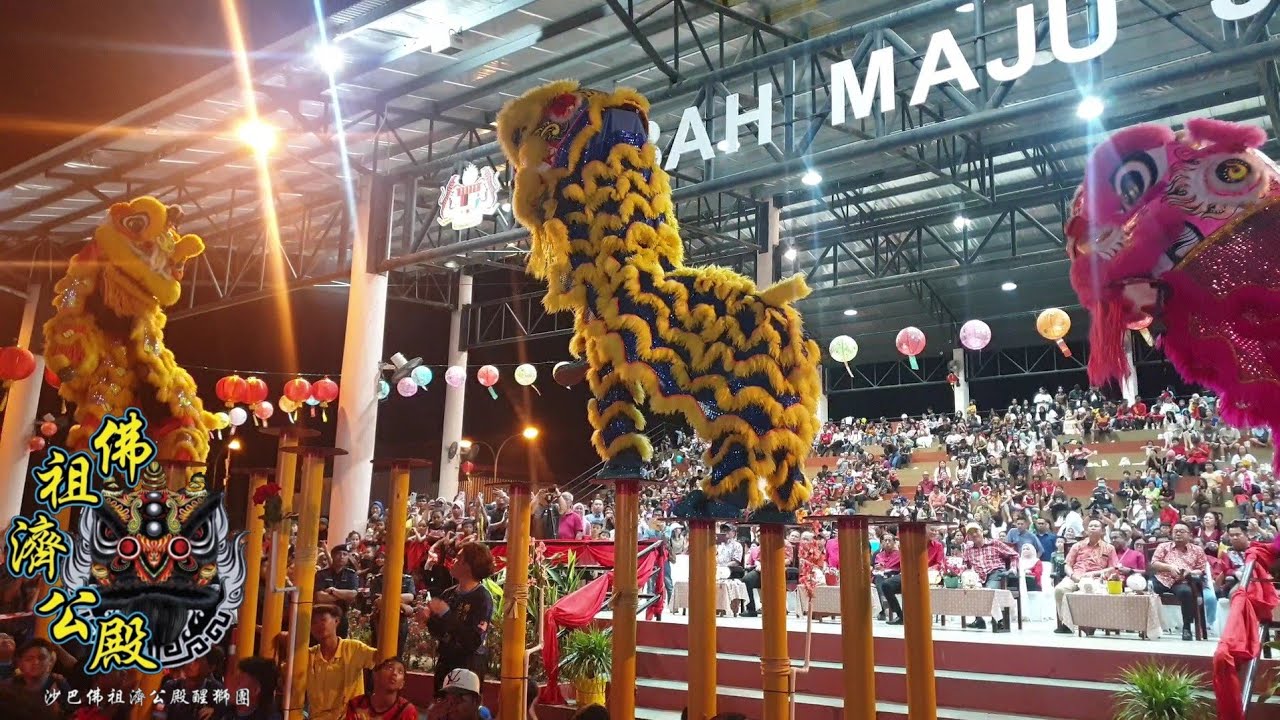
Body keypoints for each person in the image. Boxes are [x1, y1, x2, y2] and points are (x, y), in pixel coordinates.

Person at [426, 542, 496, 695]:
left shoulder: (482, 598)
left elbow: (473, 640)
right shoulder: (449, 593)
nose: (453, 561)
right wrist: (427, 619)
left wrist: (446, 614)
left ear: (469, 566)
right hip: (445, 662)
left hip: (468, 666)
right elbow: (439, 630)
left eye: (458, 559)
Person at [305, 604, 378, 720]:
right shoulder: (308, 656)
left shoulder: (353, 648)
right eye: (313, 622)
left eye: (323, 620)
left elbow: (382, 659)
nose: (318, 625)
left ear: (336, 621)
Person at [1053, 519, 1117, 633]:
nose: (1092, 527)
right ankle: (1066, 623)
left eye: (1096, 526)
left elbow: (1113, 567)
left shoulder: (1109, 548)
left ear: (1102, 531)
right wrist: (1072, 576)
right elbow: (1067, 565)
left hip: (1096, 578)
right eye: (1090, 526)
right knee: (1059, 589)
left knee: (1090, 591)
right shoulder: (1077, 546)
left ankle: (1089, 625)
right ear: (1087, 530)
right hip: (1076, 576)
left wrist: (1094, 574)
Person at [1150, 522, 1210, 641]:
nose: (1178, 533)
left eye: (1181, 531)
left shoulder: (1197, 550)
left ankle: (1186, 628)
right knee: (1146, 590)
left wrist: (1189, 572)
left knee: (1186, 592)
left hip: (1183, 581)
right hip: (1163, 579)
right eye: (1175, 531)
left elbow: (1201, 569)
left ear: (1189, 535)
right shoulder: (1163, 546)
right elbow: (1154, 563)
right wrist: (1169, 568)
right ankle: (1149, 628)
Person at [4, 639, 72, 718]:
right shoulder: (10, 686)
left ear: (50, 662)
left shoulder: (59, 683)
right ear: (20, 663)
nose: (36, 662)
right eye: (29, 659)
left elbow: (73, 712)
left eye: (42, 658)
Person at [158, 648, 226, 720]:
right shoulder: (171, 686)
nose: (191, 664)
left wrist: (215, 711)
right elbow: (159, 712)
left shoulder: (216, 690)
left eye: (197, 660)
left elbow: (225, 709)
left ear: (210, 668)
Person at [345, 658, 418, 720]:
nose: (394, 673)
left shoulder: (406, 710)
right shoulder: (357, 703)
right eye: (390, 668)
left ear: (402, 684)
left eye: (400, 671)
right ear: (375, 675)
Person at [316, 544, 362, 639]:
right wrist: (342, 595)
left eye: (345, 554)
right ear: (332, 556)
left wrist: (333, 591)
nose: (341, 557)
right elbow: (319, 597)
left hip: (341, 616)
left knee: (340, 645)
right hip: (322, 615)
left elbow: (352, 594)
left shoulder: (351, 575)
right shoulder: (322, 574)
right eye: (339, 554)